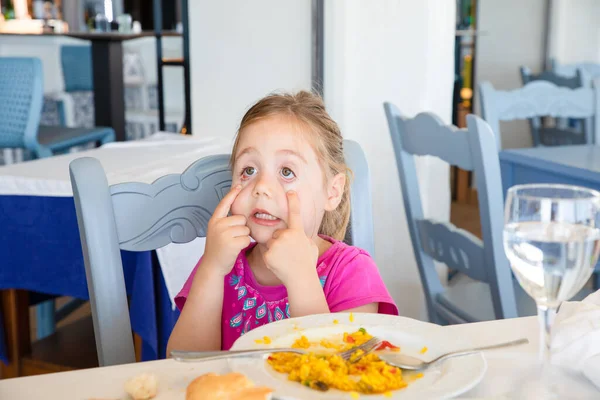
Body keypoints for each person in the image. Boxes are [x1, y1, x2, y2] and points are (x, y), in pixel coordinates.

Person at [167, 91, 397, 353]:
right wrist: (211, 269)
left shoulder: (352, 272)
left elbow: (345, 374)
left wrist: (302, 278)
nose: (261, 187)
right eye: (248, 170)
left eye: (287, 172)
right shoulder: (221, 263)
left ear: (332, 192)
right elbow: (184, 362)